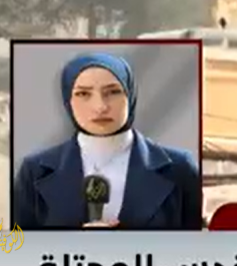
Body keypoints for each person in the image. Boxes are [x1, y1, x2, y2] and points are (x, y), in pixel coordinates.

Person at [12, 52, 203, 230]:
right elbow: (17, 249)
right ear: (68, 101)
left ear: (130, 95)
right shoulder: (35, 171)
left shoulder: (179, 169)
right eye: (83, 94)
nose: (100, 107)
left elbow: (198, 247)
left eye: (112, 92)